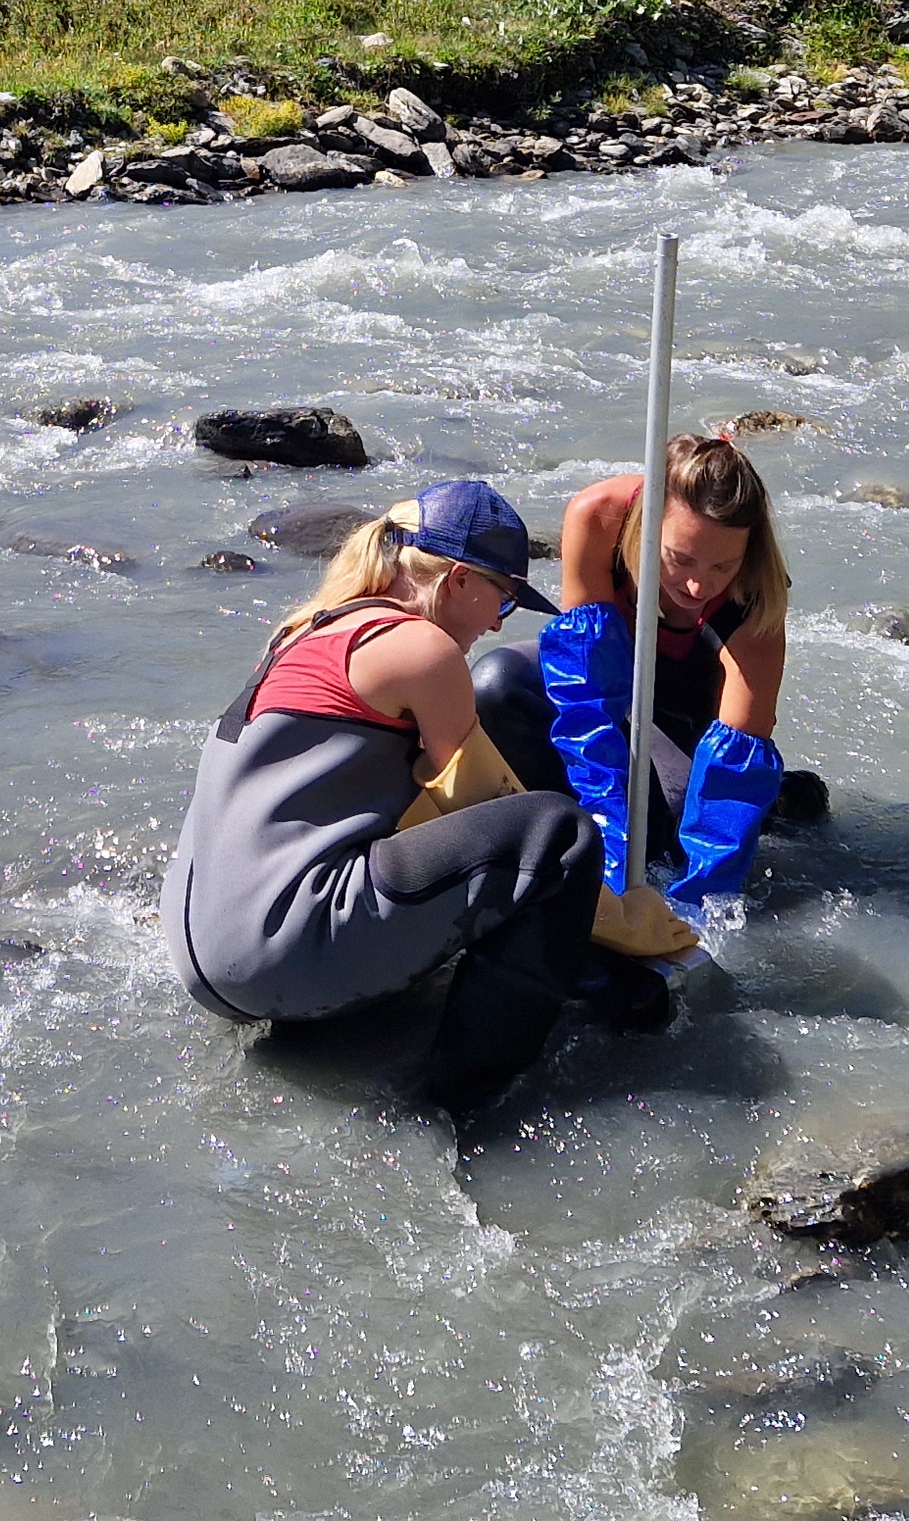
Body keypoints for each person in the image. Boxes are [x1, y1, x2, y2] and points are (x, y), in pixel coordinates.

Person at [163, 480, 668, 1112]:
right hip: (275, 954)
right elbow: (494, 813)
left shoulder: (304, 631)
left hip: (204, 956)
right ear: (457, 579)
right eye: (502, 601)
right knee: (558, 833)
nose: (494, 623)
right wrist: (625, 929)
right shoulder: (420, 648)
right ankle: (471, 1093)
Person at [470, 430, 806, 915]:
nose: (697, 584)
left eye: (721, 566)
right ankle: (546, 838)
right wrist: (607, 868)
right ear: (648, 526)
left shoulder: (755, 600)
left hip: (686, 723)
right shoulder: (599, 516)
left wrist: (693, 914)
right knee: (496, 685)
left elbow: (734, 774)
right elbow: (583, 699)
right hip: (607, 684)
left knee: (667, 837)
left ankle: (783, 800)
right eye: (680, 558)